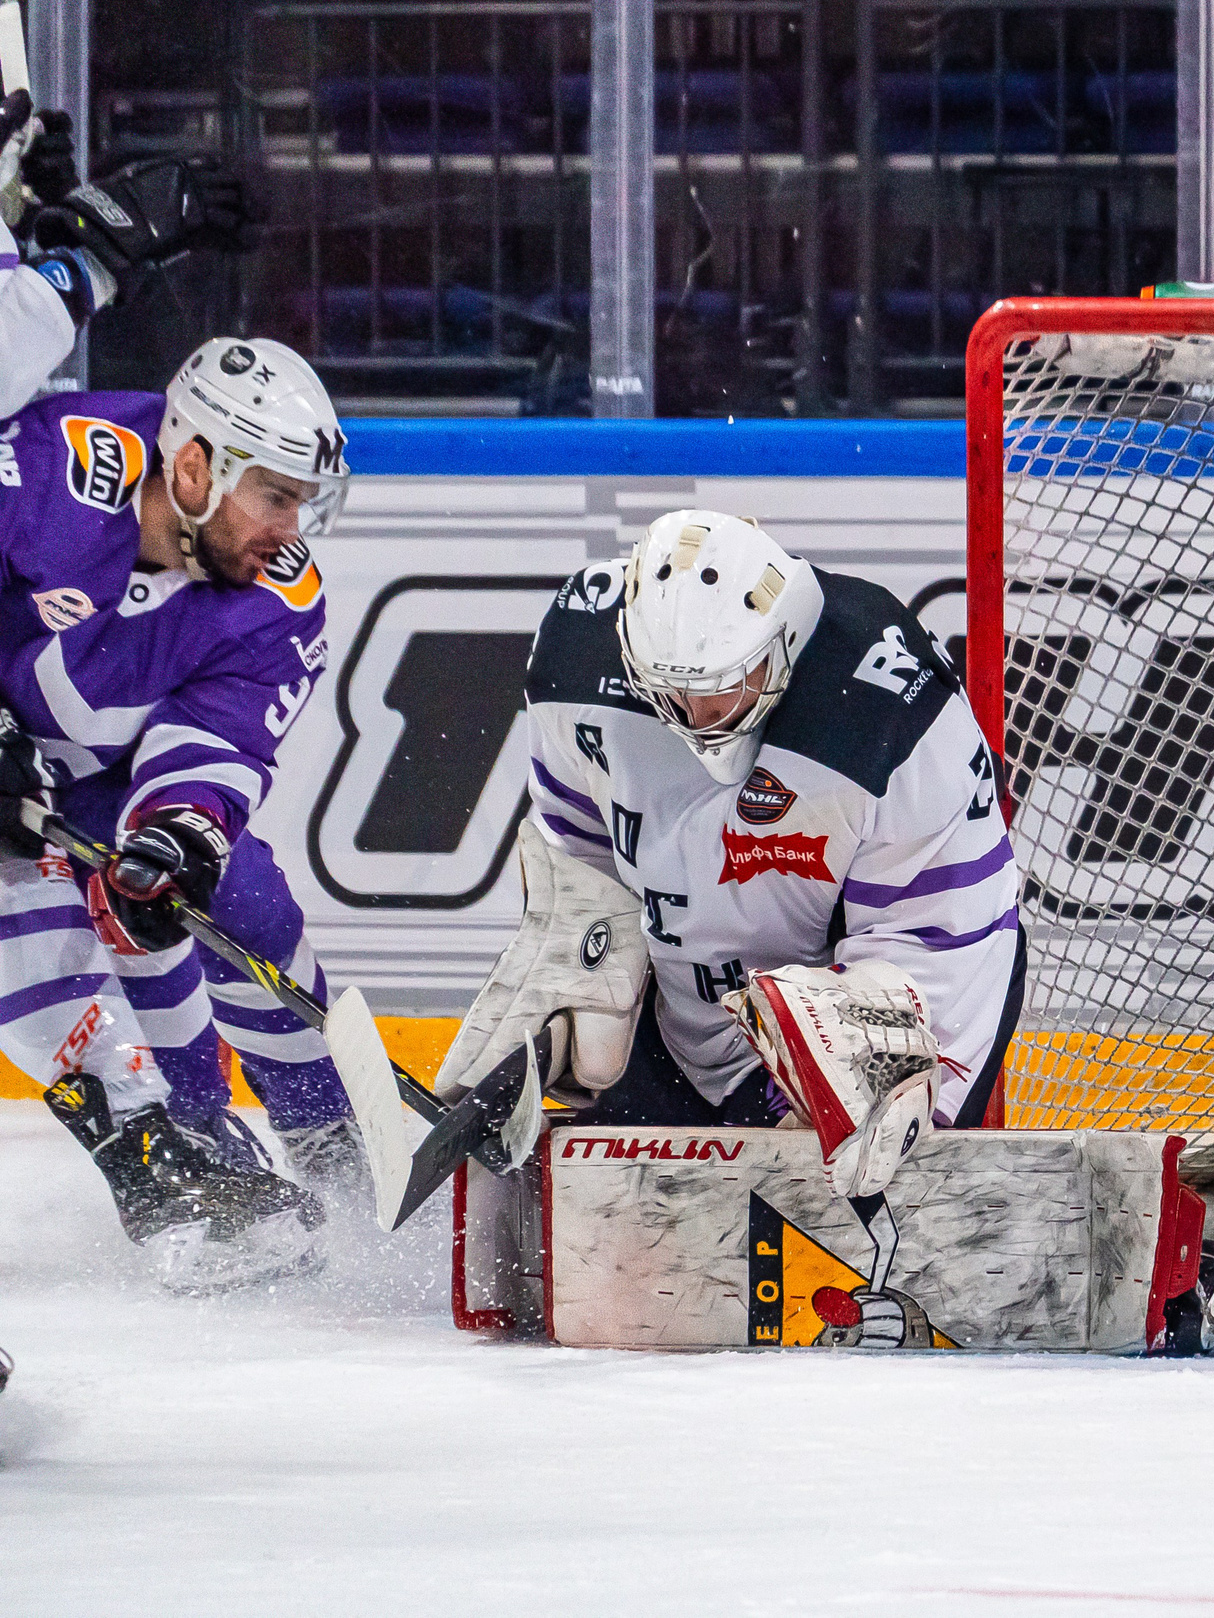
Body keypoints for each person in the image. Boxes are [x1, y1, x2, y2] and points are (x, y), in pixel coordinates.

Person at [438, 510, 1020, 1197]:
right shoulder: (574, 656)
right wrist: (580, 958)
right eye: (672, 691)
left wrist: (893, 1053)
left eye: (721, 687)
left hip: (840, 1001)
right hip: (676, 1021)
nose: (696, 713)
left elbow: (949, 918)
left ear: (784, 639)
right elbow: (579, 846)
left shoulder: (887, 703)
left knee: (869, 1192)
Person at [0, 332, 356, 1293]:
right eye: (275, 495)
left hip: (93, 779)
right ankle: (175, 1145)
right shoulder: (44, 470)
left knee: (232, 893)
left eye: (302, 501)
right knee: (19, 913)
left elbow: (221, 738)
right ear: (193, 464)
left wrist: (180, 829)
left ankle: (330, 1137)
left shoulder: (278, 598)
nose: (291, 527)